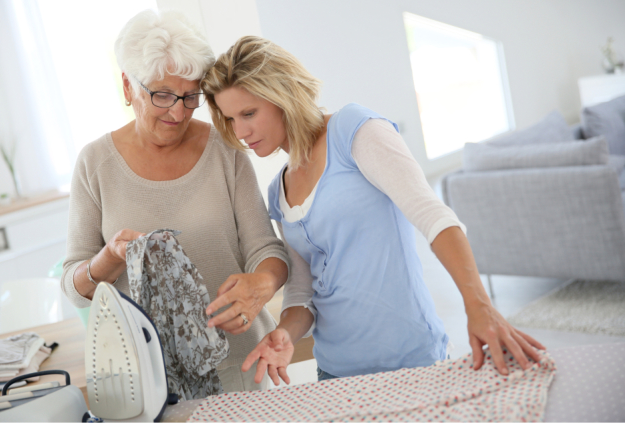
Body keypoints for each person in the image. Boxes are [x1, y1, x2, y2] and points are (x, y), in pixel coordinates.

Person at [201, 36, 546, 386]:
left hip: (412, 360)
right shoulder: (279, 191)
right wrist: (286, 333)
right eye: (230, 119)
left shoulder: (354, 130)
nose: (241, 132)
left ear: (282, 95)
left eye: (249, 113)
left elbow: (432, 216)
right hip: (335, 371)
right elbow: (303, 290)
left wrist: (478, 306)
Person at [61, 12, 289, 392]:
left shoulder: (226, 150)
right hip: (148, 381)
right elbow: (73, 286)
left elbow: (266, 250)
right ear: (127, 86)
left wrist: (261, 285)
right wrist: (109, 258)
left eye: (190, 96)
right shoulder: (95, 164)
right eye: (162, 95)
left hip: (242, 366)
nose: (178, 112)